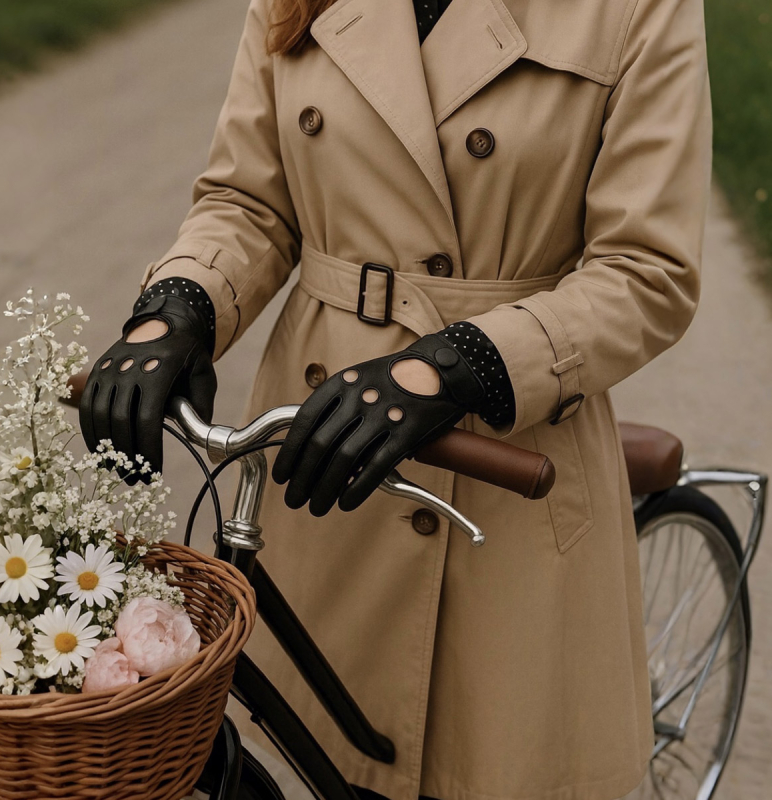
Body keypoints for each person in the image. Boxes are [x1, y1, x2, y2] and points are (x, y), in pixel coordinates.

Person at [79, 0, 712, 795]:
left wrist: (460, 364)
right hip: (323, 455)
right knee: (285, 751)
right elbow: (249, 204)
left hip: (500, 470)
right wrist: (178, 309)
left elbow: (646, 272)